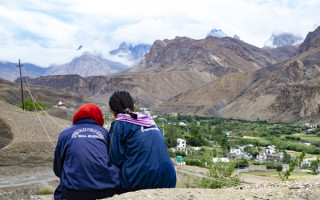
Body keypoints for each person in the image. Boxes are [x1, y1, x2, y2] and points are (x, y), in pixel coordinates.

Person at [108, 90, 176, 192]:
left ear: (112, 112)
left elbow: (115, 159)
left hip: (138, 182)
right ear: (134, 106)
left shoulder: (119, 124)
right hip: (169, 179)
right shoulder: (151, 122)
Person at [53, 104, 120, 200]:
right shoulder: (105, 133)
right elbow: (114, 159)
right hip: (106, 190)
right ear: (98, 117)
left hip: (74, 192)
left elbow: (57, 168)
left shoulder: (65, 134)